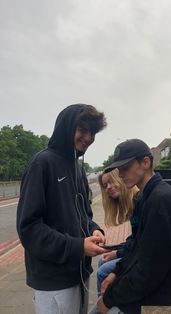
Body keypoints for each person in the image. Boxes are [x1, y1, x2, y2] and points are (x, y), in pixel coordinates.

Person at [16, 104, 109, 314]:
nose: (88, 137)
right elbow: (29, 228)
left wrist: (94, 230)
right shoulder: (42, 164)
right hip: (53, 281)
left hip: (79, 273)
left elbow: (84, 214)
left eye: (93, 132)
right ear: (66, 127)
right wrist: (78, 247)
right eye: (82, 130)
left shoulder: (78, 168)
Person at [97, 139, 171, 314]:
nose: (121, 173)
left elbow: (150, 271)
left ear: (145, 162)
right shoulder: (144, 197)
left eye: (125, 167)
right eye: (119, 169)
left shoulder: (162, 202)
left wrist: (110, 299)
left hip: (155, 297)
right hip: (142, 289)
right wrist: (116, 272)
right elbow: (136, 245)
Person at [97, 169, 139, 294]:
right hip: (138, 250)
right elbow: (136, 238)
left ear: (120, 179)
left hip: (143, 258)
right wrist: (117, 252)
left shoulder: (139, 201)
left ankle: (103, 303)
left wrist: (119, 253)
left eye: (111, 182)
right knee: (102, 259)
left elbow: (140, 243)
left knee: (102, 271)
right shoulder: (132, 204)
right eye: (105, 185)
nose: (108, 188)